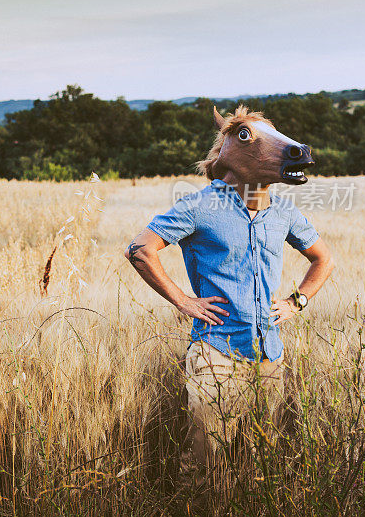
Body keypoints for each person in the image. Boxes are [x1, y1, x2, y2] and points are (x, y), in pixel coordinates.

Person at [125, 105, 335, 492]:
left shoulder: (283, 212)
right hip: (215, 353)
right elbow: (140, 250)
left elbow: (323, 259)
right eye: (247, 137)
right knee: (206, 462)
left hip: (269, 355)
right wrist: (184, 301)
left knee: (259, 459)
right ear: (229, 151)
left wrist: (296, 302)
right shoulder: (199, 206)